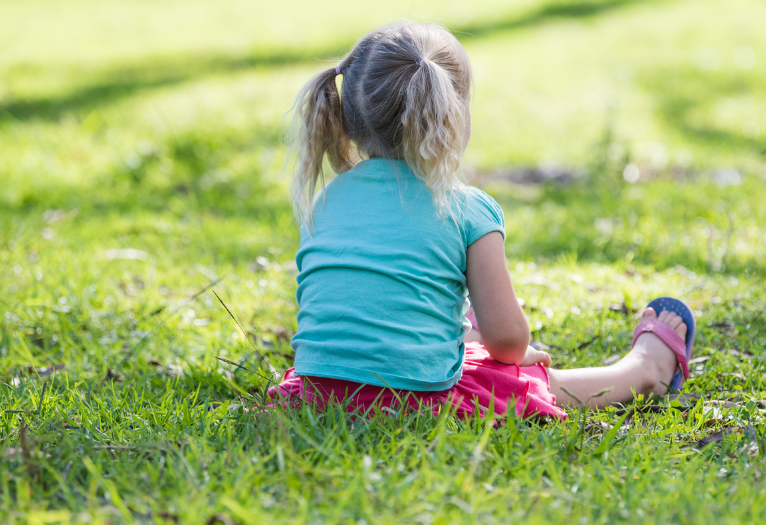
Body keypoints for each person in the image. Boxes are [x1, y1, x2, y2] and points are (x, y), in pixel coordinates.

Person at [269, 22, 695, 419]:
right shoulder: (465, 209)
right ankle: (642, 372)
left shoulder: (326, 199)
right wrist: (509, 355)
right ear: (452, 118)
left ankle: (457, 335)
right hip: (420, 399)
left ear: (349, 116)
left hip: (319, 394)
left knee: (461, 345)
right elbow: (509, 342)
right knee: (525, 380)